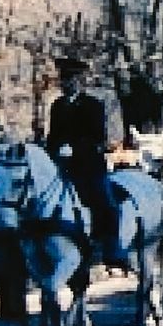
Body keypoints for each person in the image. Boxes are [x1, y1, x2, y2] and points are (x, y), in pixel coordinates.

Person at [46, 56, 112, 245]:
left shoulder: (93, 105)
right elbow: (53, 135)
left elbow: (98, 136)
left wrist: (74, 148)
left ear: (78, 81)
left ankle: (107, 244)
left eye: (70, 79)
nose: (65, 84)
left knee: (104, 201)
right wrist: (52, 150)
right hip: (61, 165)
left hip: (88, 166)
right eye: (63, 79)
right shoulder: (57, 106)